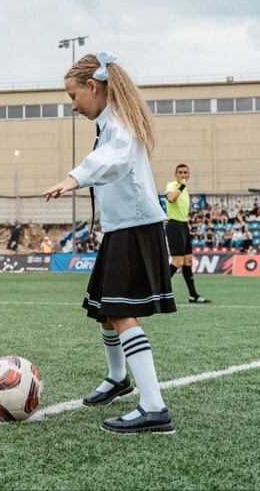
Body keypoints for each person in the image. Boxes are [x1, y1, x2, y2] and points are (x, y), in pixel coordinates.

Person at [43, 51, 176, 435]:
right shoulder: (110, 121)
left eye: (73, 95)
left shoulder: (118, 123)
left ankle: (154, 408)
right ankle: (119, 379)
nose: (72, 105)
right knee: (104, 309)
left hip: (136, 228)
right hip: (121, 227)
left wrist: (75, 177)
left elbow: (115, 160)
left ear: (93, 86)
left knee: (119, 312)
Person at [164, 164, 211, 303]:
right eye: (180, 172)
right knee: (177, 261)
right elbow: (171, 198)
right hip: (174, 225)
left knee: (188, 261)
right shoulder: (172, 186)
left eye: (185, 172)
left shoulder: (184, 190)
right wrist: (182, 186)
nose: (183, 175)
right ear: (175, 174)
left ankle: (193, 295)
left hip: (183, 225)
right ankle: (158, 290)